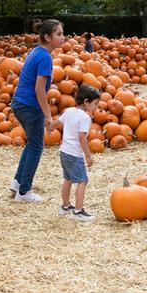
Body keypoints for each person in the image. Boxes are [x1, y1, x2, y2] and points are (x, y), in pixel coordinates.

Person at [10, 19, 65, 202]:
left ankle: (18, 182)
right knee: (36, 146)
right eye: (59, 34)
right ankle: (24, 192)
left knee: (32, 144)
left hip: (19, 103)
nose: (63, 37)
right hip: (30, 106)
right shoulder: (45, 57)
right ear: (47, 37)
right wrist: (49, 117)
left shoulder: (37, 52)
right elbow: (39, 89)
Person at [58, 84, 100, 221]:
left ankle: (65, 207)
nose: (96, 107)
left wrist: (50, 127)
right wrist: (88, 156)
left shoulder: (69, 111)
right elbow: (82, 137)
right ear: (86, 102)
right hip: (75, 154)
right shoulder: (85, 118)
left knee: (68, 179)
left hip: (64, 151)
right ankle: (78, 212)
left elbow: (57, 122)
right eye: (95, 104)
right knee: (82, 181)